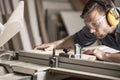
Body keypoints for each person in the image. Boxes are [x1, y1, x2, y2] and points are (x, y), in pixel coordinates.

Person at [34, 0, 120, 63]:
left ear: (111, 16)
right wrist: (54, 45)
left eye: (94, 24)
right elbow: (76, 39)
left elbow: (105, 56)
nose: (91, 30)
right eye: (89, 26)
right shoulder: (94, 29)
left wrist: (105, 55)